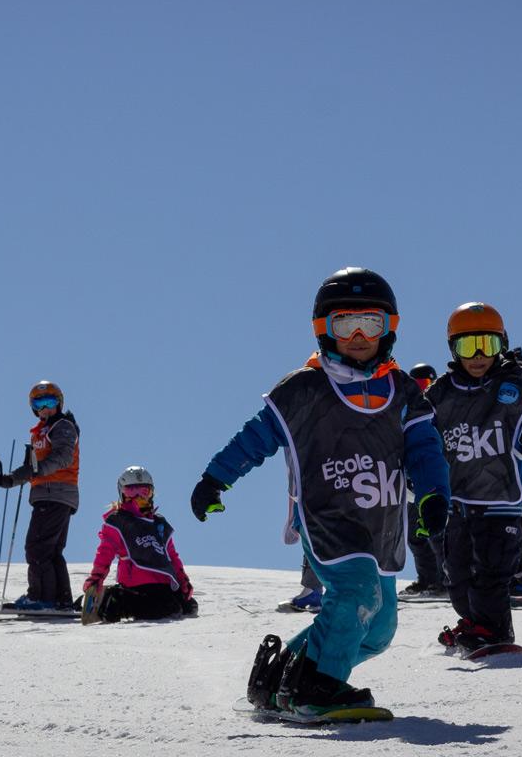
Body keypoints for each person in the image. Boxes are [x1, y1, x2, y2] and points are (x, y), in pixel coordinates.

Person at [190, 267, 451, 717]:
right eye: (343, 324)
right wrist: (216, 478)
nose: (356, 335)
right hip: (329, 516)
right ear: (323, 330)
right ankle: (319, 687)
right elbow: (255, 438)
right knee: (355, 594)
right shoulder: (304, 389)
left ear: (388, 329)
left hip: (381, 524)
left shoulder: (403, 391)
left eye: (369, 323)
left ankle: (284, 674)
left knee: (378, 627)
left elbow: (426, 449)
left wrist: (433, 494)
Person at [425, 302, 522, 654]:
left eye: (486, 345)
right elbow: (418, 431)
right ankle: (473, 622)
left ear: (500, 344)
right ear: (452, 349)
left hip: (501, 503)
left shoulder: (511, 390)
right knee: (455, 576)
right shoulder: (441, 394)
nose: (477, 357)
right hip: (458, 504)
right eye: (466, 347)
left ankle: (495, 628)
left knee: (491, 574)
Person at [0, 380, 81, 611]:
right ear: (33, 407)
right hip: (52, 494)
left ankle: (41, 598)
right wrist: (7, 480)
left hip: (55, 493)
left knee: (37, 548)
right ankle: (61, 600)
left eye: (50, 401)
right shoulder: (43, 431)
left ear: (59, 403)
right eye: (39, 403)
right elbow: (30, 468)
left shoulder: (63, 426)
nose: (45, 408)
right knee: (51, 550)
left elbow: (63, 457)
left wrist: (37, 470)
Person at [82, 466, 196, 623]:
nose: (137, 497)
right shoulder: (118, 521)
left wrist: (183, 581)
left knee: (188, 606)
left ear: (151, 493)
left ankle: (134, 602)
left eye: (143, 491)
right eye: (130, 491)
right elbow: (105, 552)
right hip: (137, 584)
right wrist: (96, 578)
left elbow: (171, 556)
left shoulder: (159, 524)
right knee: (167, 609)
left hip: (162, 583)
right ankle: (116, 601)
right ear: (122, 493)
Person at [401, 363, 448, 597]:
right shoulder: (408, 407)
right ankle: (427, 579)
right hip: (410, 482)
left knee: (436, 532)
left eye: (426, 385)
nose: (423, 390)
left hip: (431, 480)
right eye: (418, 385)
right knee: (415, 535)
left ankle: (444, 579)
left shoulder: (437, 409)